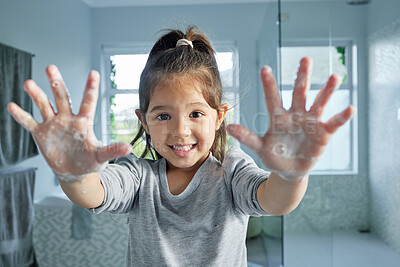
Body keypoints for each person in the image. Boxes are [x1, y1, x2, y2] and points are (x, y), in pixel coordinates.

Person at [8, 26, 355, 266]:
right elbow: (95, 192)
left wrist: (291, 175)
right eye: (162, 117)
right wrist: (73, 176)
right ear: (143, 121)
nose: (180, 130)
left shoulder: (232, 169)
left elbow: (275, 200)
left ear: (219, 116)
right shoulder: (137, 174)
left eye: (195, 113)